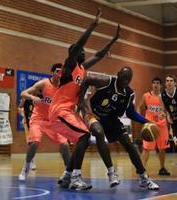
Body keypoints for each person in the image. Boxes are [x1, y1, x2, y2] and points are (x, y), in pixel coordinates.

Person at [48, 9, 121, 190]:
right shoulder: (69, 66)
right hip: (59, 111)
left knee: (83, 138)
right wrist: (92, 26)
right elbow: (80, 44)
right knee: (84, 136)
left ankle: (67, 176)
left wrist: (113, 40)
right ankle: (75, 178)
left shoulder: (81, 68)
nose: (84, 52)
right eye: (80, 50)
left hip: (65, 113)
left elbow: (98, 56)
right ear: (74, 53)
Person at [78, 67, 159, 190]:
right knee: (99, 133)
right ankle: (111, 173)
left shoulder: (129, 94)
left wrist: (146, 121)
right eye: (123, 78)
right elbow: (88, 79)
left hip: (112, 120)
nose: (125, 82)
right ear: (118, 75)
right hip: (93, 115)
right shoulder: (106, 81)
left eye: (127, 80)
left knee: (129, 145)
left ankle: (144, 178)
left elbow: (131, 113)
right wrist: (80, 100)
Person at [18, 63, 71, 181]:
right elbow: (23, 93)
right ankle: (25, 168)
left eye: (61, 71)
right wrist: (33, 98)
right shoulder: (44, 83)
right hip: (38, 119)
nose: (59, 73)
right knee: (35, 141)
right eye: (57, 71)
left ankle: (69, 172)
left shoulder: (64, 88)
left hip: (53, 121)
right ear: (52, 72)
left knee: (65, 144)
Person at [137, 77, 171, 176]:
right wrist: (140, 118)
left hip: (162, 125)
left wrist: (165, 114)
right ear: (152, 85)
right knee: (146, 148)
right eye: (154, 83)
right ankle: (142, 169)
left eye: (157, 83)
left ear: (161, 85)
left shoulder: (165, 96)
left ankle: (162, 168)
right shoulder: (146, 96)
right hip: (149, 125)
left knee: (162, 148)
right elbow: (139, 107)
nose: (155, 85)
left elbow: (168, 110)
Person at [18, 97, 36, 170]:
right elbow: (19, 108)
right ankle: (31, 161)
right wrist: (23, 115)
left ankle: (31, 161)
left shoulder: (38, 99)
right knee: (31, 143)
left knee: (34, 142)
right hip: (27, 124)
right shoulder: (26, 99)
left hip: (36, 123)